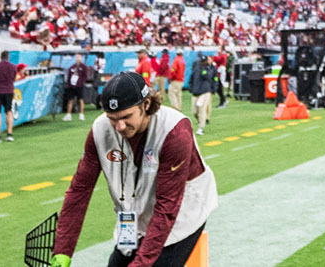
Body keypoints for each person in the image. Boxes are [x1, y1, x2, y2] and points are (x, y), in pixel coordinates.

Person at [51, 72, 215, 267]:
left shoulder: (175, 132)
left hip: (182, 216)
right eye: (112, 118)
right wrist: (63, 249)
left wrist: (141, 264)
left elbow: (167, 207)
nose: (119, 126)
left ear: (146, 105)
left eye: (126, 117)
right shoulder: (100, 130)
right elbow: (79, 191)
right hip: (133, 217)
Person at [189, 55, 216, 136]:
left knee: (202, 109)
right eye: (202, 62)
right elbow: (191, 79)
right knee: (194, 111)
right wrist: (191, 88)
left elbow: (208, 77)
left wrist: (213, 89)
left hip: (204, 93)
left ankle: (201, 127)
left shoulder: (210, 69)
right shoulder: (196, 70)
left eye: (204, 62)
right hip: (195, 92)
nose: (203, 63)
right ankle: (200, 121)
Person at [63, 53, 92, 122]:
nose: (78, 58)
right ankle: (68, 115)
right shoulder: (72, 67)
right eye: (77, 57)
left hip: (80, 86)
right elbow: (69, 76)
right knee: (70, 100)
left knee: (81, 100)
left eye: (79, 57)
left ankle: (81, 114)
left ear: (81, 58)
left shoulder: (83, 67)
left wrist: (80, 83)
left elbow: (85, 76)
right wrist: (70, 84)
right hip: (72, 87)